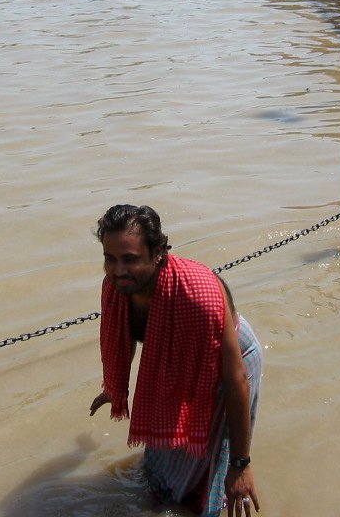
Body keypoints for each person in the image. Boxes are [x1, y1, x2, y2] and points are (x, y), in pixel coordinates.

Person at [89, 204, 262, 516]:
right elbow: (122, 335)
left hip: (230, 361)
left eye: (130, 259)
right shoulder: (118, 288)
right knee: (160, 464)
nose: (118, 270)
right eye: (110, 259)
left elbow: (237, 378)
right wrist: (116, 386)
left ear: (157, 254)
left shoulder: (199, 296)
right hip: (174, 360)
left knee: (206, 467)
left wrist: (241, 465)